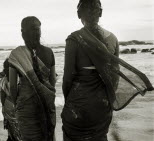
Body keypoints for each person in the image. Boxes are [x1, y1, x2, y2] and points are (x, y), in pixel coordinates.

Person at [61, 0, 153, 141]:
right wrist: (106, 100)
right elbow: (114, 79)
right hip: (102, 106)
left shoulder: (74, 39)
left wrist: (69, 101)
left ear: (79, 14)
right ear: (101, 13)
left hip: (78, 106)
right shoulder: (113, 39)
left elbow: (67, 78)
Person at [8, 16, 56, 141]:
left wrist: (16, 103)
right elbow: (52, 81)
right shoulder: (49, 52)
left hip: (26, 108)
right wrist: (46, 95)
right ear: (39, 31)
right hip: (47, 104)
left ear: (22, 33)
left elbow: (12, 86)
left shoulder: (16, 54)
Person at [0, 59, 21, 141]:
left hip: (7, 105)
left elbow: (2, 98)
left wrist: (4, 109)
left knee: (11, 129)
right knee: (19, 131)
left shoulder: (3, 80)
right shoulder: (19, 79)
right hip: (17, 105)